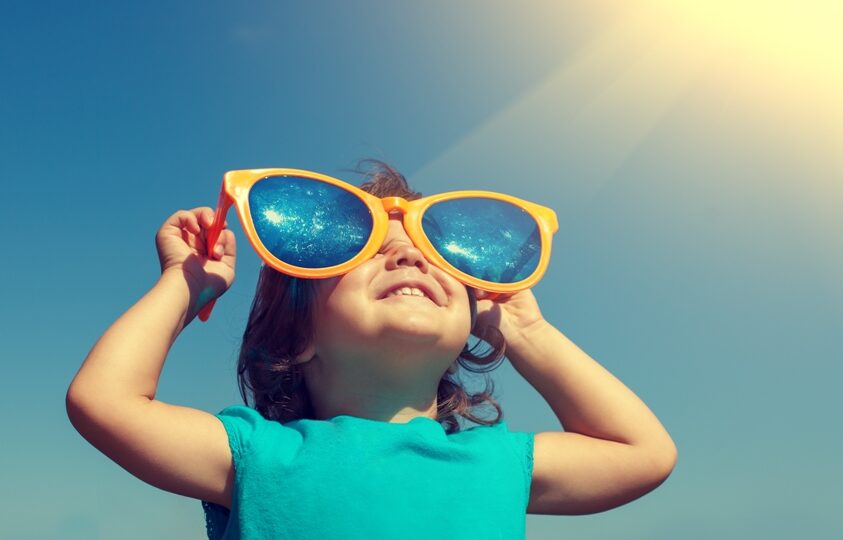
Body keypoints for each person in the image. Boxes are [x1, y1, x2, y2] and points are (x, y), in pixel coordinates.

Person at [66, 159, 678, 539]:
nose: (408, 255)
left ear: (469, 325)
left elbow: (643, 453)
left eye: (434, 257)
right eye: (370, 255)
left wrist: (526, 331)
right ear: (297, 337)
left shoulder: (495, 462)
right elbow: (105, 401)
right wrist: (187, 281)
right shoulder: (261, 454)